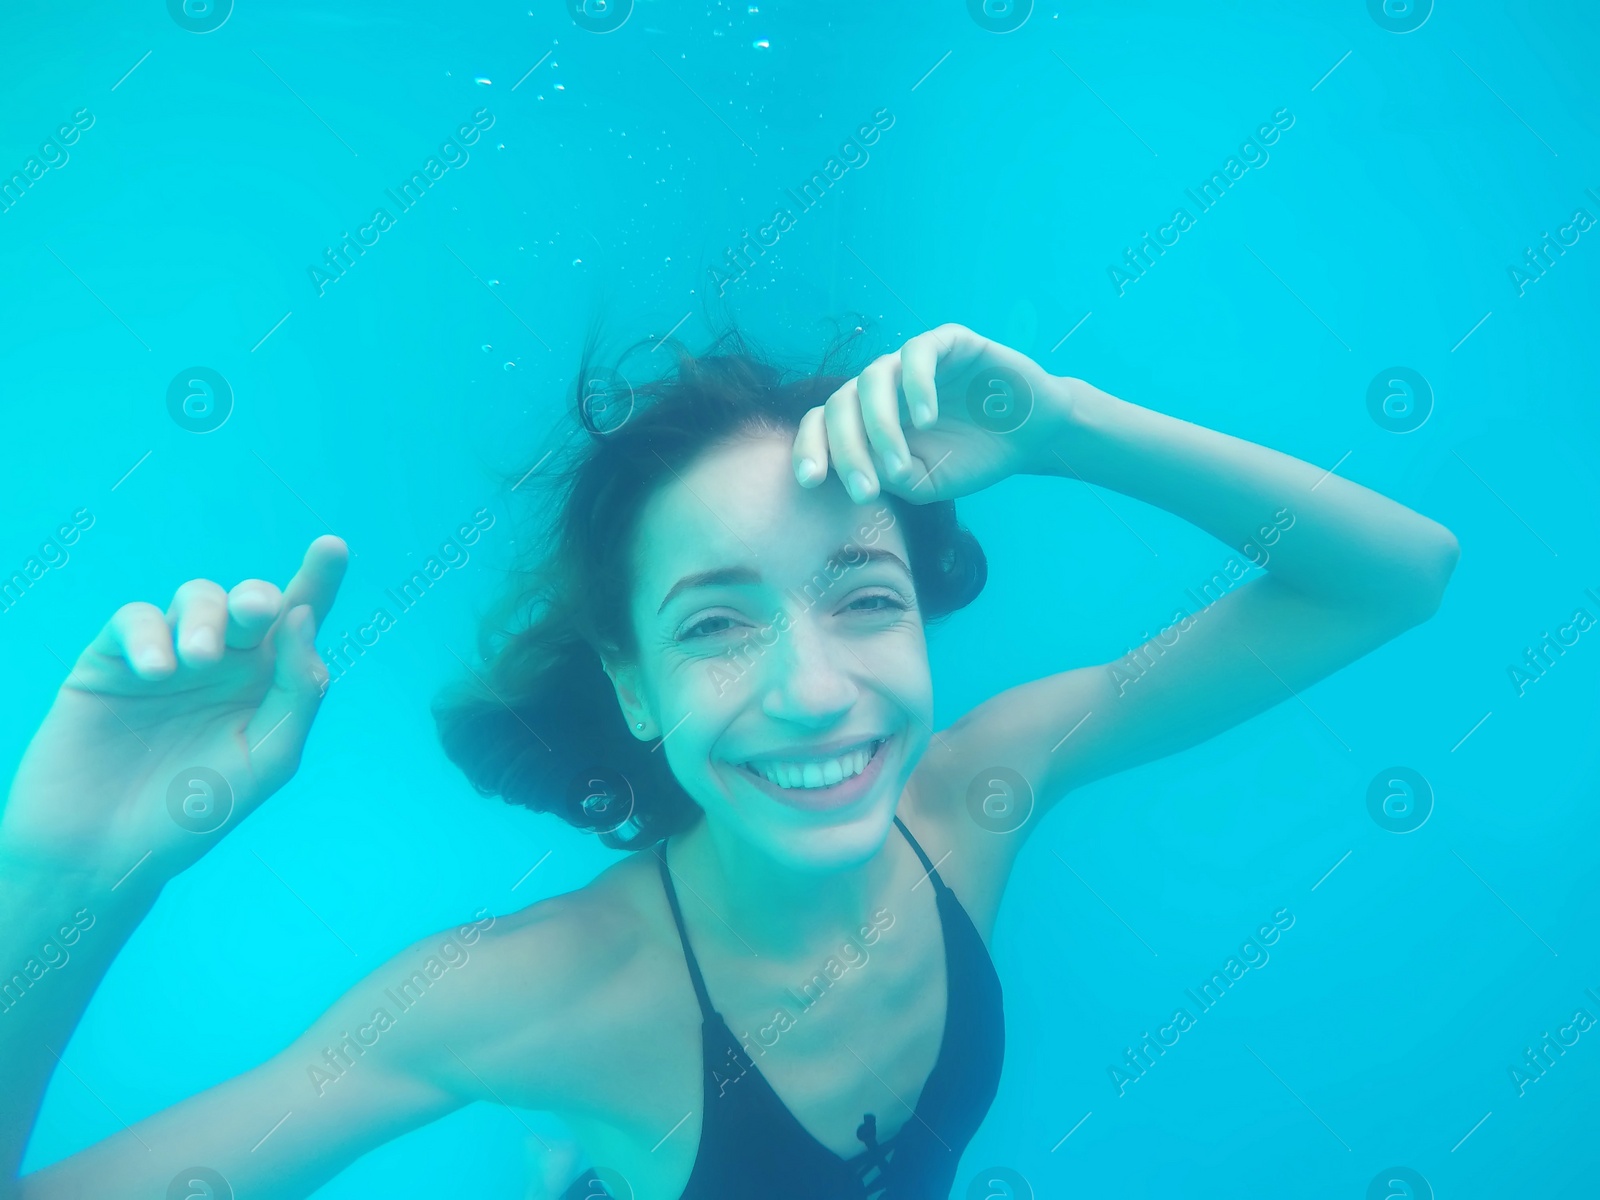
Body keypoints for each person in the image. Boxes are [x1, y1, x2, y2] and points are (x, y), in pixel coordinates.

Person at [0, 323, 1460, 1200]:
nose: (816, 691)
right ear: (629, 686)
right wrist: (67, 876)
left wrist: (1071, 426)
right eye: (716, 622)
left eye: (866, 597)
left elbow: (1394, 580)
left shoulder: (979, 794)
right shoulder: (528, 993)